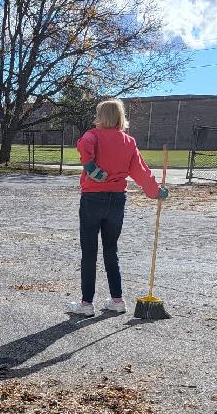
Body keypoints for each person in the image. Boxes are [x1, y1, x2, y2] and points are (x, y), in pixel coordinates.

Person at [68, 99, 168, 316]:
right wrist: (156, 191)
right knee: (111, 251)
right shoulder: (128, 142)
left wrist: (90, 166)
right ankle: (117, 299)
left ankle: (86, 304)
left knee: (89, 252)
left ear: (100, 116)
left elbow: (83, 144)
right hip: (117, 199)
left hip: (92, 198)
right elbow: (140, 171)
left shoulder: (93, 135)